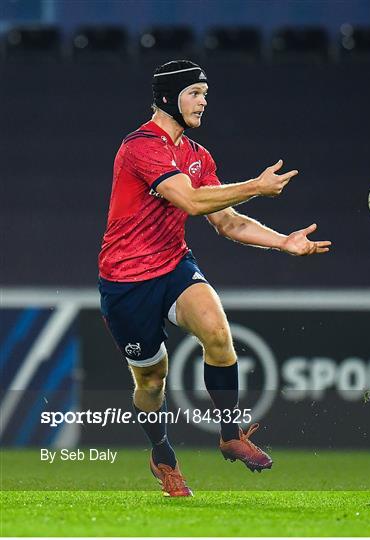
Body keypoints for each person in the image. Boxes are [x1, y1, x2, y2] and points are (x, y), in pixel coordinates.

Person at [98, 60, 331, 497]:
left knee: (218, 336)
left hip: (173, 266)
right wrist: (255, 187)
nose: (204, 101)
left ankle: (230, 435)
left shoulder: (197, 155)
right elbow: (187, 199)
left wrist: (283, 242)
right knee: (151, 382)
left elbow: (226, 222)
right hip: (126, 282)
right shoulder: (140, 147)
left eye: (205, 93)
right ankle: (162, 454)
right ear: (169, 97)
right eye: (195, 93)